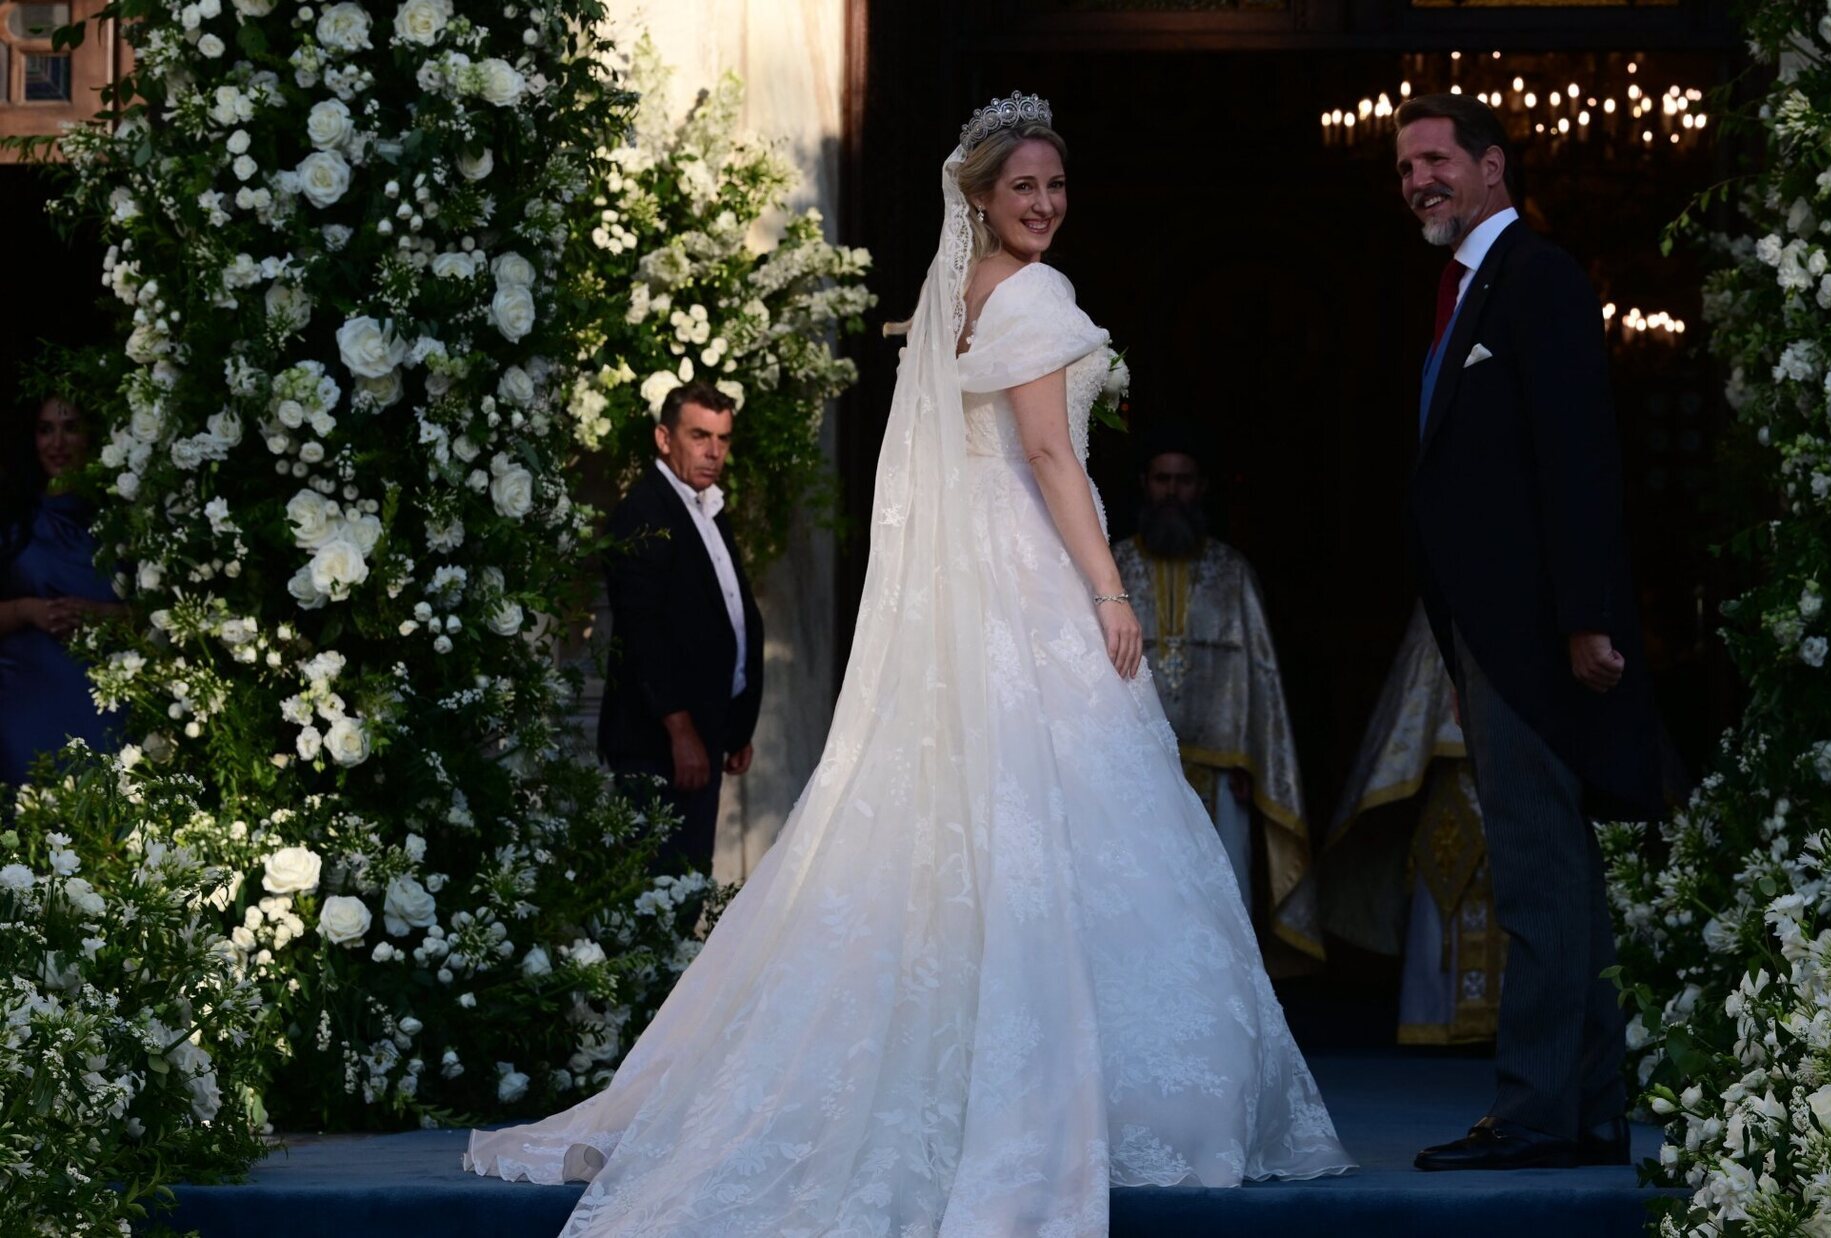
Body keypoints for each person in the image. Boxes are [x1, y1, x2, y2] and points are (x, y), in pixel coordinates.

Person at [468, 91, 1352, 1233]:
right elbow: (1045, 452)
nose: (1043, 203)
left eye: (1055, 185)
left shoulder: (958, 299)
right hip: (1031, 568)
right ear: (979, 198)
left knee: (981, 807)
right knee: (1061, 797)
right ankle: (1090, 1085)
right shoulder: (1031, 293)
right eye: (1022, 186)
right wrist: (1102, 588)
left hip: (975, 571)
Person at [1393, 93, 1662, 1172]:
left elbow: (1576, 451)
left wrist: (1587, 618)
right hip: (1489, 636)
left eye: (1434, 160)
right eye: (1403, 166)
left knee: (1538, 870)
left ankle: (1537, 1111)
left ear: (1491, 166)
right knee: (1556, 872)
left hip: (1536, 634)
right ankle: (1587, 1105)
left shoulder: (1537, 278)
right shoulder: (1458, 289)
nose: (1417, 180)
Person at [1111, 428, 1321, 969]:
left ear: (1201, 487)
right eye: (1163, 480)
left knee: (1220, 901)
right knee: (1138, 897)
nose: (1172, 492)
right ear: (1144, 485)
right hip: (1133, 768)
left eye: (1184, 480)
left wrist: (1254, 757)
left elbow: (1261, 680)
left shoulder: (1233, 573)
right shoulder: (1112, 571)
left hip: (1223, 773)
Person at [597, 381, 765, 876]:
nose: (714, 452)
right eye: (699, 436)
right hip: (659, 744)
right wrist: (682, 731)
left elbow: (727, 614)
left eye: (723, 439)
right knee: (654, 889)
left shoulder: (707, 506)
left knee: (687, 881)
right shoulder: (643, 514)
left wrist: (738, 725)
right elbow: (642, 633)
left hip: (706, 733)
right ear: (664, 439)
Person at [1322, 602, 1504, 1047]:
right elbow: (1413, 710)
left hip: (1513, 773)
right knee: (1444, 883)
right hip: (1449, 781)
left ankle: (1512, 1028)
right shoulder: (1440, 602)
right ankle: (1434, 1019)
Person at [0, 397, 127, 786]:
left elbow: (161, 618)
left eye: (70, 428)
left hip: (105, 708)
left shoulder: (123, 522)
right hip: (24, 705)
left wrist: (99, 615)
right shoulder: (11, 520)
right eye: (46, 429)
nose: (57, 443)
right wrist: (25, 611)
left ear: (91, 436)